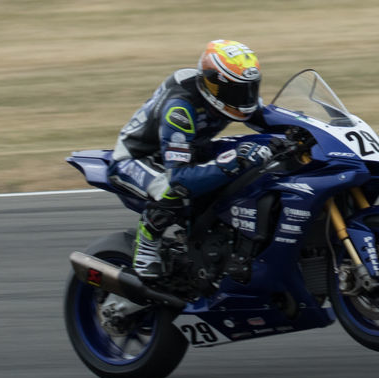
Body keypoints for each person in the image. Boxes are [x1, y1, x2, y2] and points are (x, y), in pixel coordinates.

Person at [108, 40, 285, 279]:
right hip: (137, 158)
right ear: (212, 84)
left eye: (249, 89)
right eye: (236, 90)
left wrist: (315, 129)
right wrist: (232, 161)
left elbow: (269, 119)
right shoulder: (181, 109)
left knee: (258, 152)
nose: (245, 97)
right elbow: (180, 178)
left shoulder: (234, 99)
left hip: (189, 149)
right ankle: (147, 243)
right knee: (174, 188)